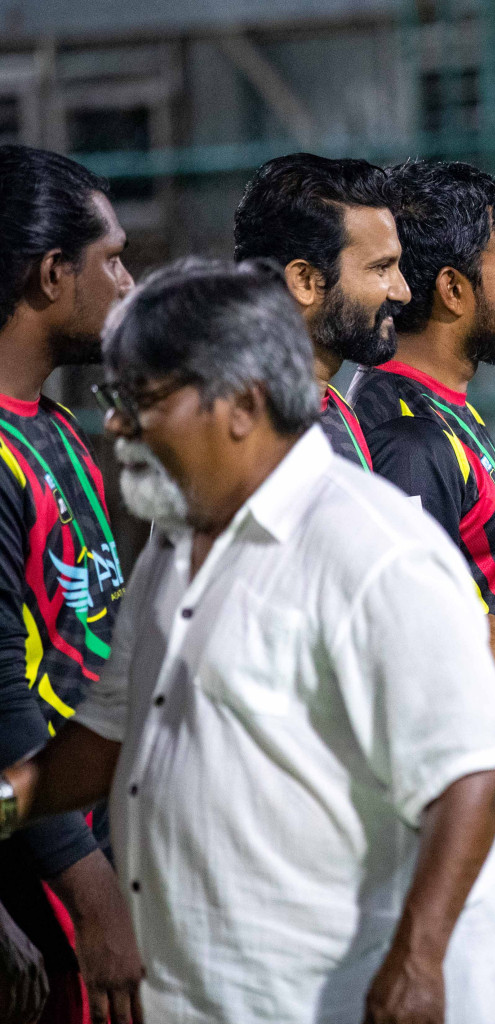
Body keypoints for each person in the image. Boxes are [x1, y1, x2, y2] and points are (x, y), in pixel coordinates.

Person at [0, 257, 495, 1023]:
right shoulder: (173, 546)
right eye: (114, 398)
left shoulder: (370, 547)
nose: (117, 425)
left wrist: (420, 961)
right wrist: (8, 800)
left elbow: (470, 768)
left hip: (353, 996)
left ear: (240, 404)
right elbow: (114, 731)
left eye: (140, 399)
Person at [347, 159, 495, 1024]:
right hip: (479, 855)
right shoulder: (402, 441)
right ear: (452, 289)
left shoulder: (445, 417)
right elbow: (431, 672)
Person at [0, 144, 142, 1024]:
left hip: (94, 842)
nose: (129, 282)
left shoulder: (54, 428)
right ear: (54, 275)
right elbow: (0, 695)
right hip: (43, 870)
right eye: (112, 259)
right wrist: (87, 889)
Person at [232, 153, 411, 468]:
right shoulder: (236, 429)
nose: (402, 292)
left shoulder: (331, 406)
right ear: (304, 281)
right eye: (381, 268)